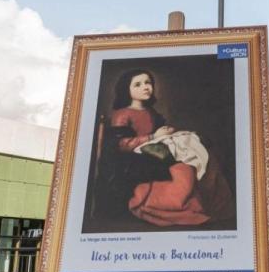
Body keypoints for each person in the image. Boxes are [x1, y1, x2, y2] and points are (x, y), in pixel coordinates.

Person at [97, 69, 233, 227]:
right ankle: (171, 208)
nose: (145, 87)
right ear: (126, 89)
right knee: (181, 169)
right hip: (134, 159)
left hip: (157, 151)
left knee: (193, 158)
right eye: (138, 84)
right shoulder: (122, 114)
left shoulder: (151, 112)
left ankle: (211, 206)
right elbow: (121, 144)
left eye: (148, 82)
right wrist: (152, 137)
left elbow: (160, 134)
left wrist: (168, 133)